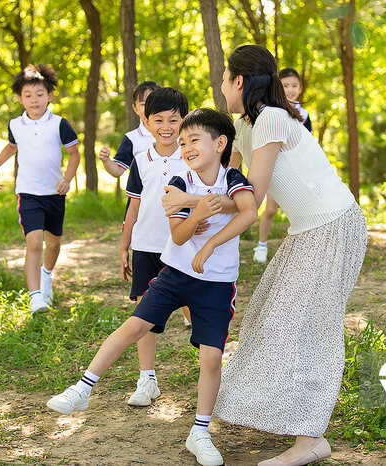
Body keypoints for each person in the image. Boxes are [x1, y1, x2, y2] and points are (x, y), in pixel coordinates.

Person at [162, 45, 367, 466]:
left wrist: (204, 227)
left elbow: (248, 200)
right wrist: (186, 195)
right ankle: (291, 423)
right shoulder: (246, 123)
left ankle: (310, 440)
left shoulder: (272, 117)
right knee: (270, 318)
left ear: (239, 82)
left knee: (308, 326)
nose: (221, 85)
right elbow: (225, 179)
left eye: (224, 78)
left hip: (333, 226)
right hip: (308, 231)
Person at [46, 108, 257, 466]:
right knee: (134, 326)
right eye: (183, 140)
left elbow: (248, 211)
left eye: (194, 139)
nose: (186, 145)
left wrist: (209, 241)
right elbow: (177, 234)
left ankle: (200, 432)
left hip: (217, 283)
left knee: (211, 358)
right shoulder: (179, 179)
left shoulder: (233, 177)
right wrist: (200, 213)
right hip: (175, 274)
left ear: (220, 143)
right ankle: (83, 388)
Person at [120, 87, 191, 407]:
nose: (166, 126)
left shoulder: (192, 159)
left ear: (184, 121)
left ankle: (218, 373)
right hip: (145, 247)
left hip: (182, 246)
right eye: (157, 119)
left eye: (173, 120)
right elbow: (133, 207)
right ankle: (146, 379)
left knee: (196, 309)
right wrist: (125, 244)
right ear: (146, 122)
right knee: (143, 313)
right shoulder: (140, 159)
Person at [0, 64, 80, 315]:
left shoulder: (60, 124)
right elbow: (11, 147)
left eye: (40, 94)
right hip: (28, 193)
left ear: (49, 96)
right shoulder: (16, 124)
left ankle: (47, 276)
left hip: (54, 193)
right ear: (20, 98)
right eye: (28, 95)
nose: (34, 100)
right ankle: (35, 296)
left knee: (53, 244)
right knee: (33, 242)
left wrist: (67, 178)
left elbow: (74, 154)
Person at [253, 67, 312, 264]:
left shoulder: (303, 114)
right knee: (270, 208)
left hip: (297, 169)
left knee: (300, 210)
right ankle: (261, 245)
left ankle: (301, 250)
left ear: (300, 88)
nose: (290, 89)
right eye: (285, 85)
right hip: (276, 166)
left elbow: (307, 143)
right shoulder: (274, 110)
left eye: (294, 85)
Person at [97, 80, 160, 178]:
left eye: (154, 102)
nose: (149, 108)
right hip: (144, 193)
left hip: (176, 193)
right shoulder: (131, 138)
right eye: (143, 104)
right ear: (135, 109)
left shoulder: (176, 134)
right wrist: (106, 160)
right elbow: (117, 170)